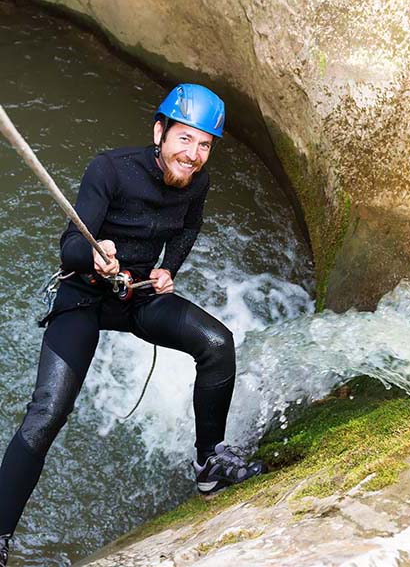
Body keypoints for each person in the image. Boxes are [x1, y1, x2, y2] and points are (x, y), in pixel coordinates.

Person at [0, 84, 264, 565]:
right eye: (185, 140)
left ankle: (209, 463)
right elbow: (69, 246)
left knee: (217, 344)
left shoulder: (196, 182)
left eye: (205, 145)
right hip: (85, 296)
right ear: (159, 132)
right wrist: (97, 257)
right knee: (45, 415)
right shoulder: (110, 170)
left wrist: (170, 269)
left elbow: (189, 225)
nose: (194, 155)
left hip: (139, 295)